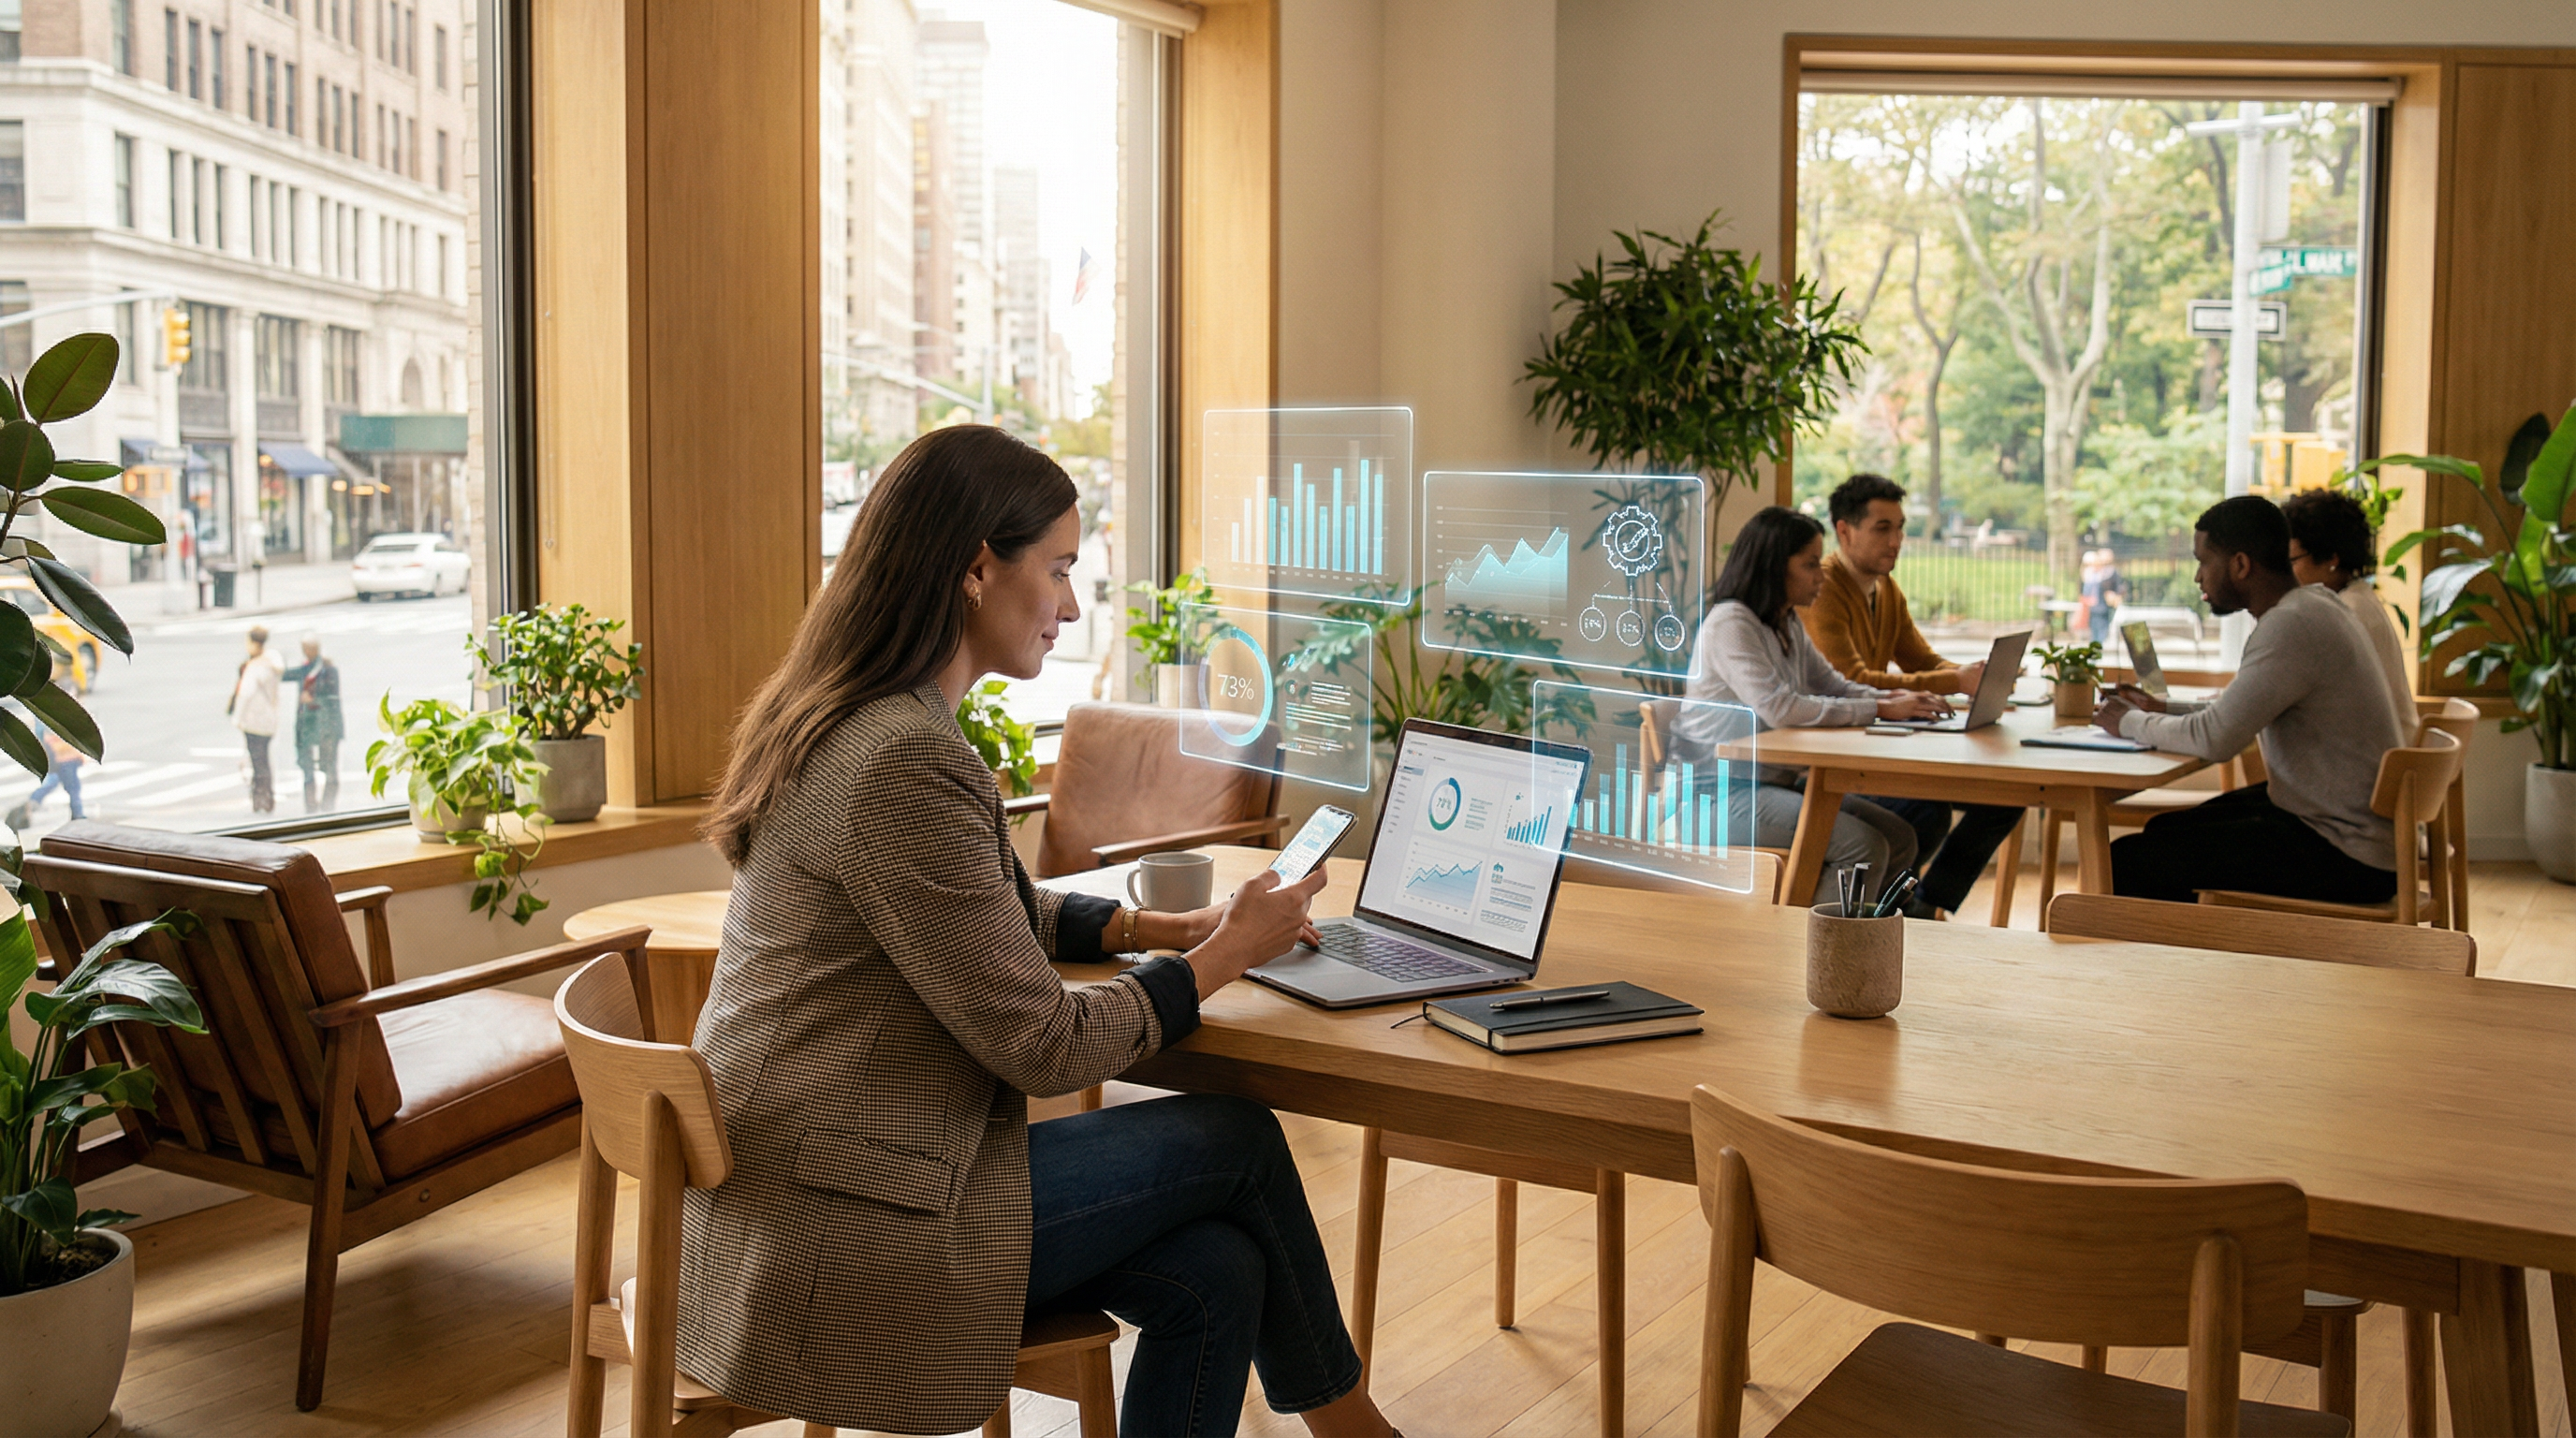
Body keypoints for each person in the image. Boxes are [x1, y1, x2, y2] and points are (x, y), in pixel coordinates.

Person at [687, 426, 1394, 1438]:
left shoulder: (850, 719)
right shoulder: (899, 761)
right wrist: (1224, 953)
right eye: (1060, 569)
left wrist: (1163, 926)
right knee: (1236, 1139)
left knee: (1216, 1271)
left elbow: (989, 904)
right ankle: (1354, 1429)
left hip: (787, 1190)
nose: (1071, 604)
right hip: (842, 1220)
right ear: (977, 567)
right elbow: (1041, 1047)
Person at [2096, 495, 2410, 905]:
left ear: (2241, 565)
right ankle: (2200, 957)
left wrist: (2125, 722)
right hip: (2347, 831)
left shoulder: (2291, 625)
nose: (2197, 577)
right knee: (2161, 832)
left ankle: (2181, 965)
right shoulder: (2314, 606)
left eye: (2203, 561)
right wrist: (2162, 709)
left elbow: (2216, 740)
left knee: (2127, 862)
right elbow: (2233, 713)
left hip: (2348, 855)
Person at [1672, 505, 1947, 909]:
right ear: (1773, 567)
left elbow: (1832, 685)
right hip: (1716, 796)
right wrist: (1882, 711)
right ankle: (1813, 958)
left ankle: (1865, 945)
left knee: (1901, 838)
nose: (1822, 575)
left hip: (1771, 783)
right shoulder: (1731, 623)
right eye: (1810, 564)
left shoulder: (1785, 622)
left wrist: (1892, 700)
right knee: (1864, 847)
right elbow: (1781, 708)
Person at [1800, 474, 2027, 917]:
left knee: (2008, 795)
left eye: (1900, 527)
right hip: (1840, 757)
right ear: (1844, 531)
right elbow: (1853, 678)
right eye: (1883, 528)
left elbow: (1921, 659)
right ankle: (1895, 912)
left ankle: (1927, 903)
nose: (1897, 540)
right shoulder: (1823, 589)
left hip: (1879, 747)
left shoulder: (1885, 588)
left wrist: (1974, 676)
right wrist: (1954, 681)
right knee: (1926, 809)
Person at [2282, 488, 2415, 735]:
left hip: (2378, 762)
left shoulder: (2348, 612)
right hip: (2390, 756)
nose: (2286, 573)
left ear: (2332, 559)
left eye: (2292, 562)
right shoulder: (2358, 599)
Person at [281, 635, 344, 812]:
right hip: (307, 725)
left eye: (307, 649)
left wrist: (312, 699)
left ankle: (328, 806)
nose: (305, 652)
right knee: (307, 767)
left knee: (329, 766)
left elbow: (333, 698)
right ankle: (311, 806)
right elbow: (285, 675)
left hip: (326, 726)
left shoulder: (328, 670)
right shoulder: (306, 669)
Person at [227, 625, 285, 814]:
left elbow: (245, 694)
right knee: (265, 761)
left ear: (253, 643)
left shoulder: (255, 667)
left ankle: (259, 800)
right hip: (269, 720)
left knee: (257, 761)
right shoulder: (273, 663)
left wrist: (237, 719)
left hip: (254, 721)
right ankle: (267, 799)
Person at [6, 715, 85, 829]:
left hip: (59, 756)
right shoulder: (54, 711)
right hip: (64, 756)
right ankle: (78, 815)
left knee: (52, 783)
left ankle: (31, 804)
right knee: (73, 788)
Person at [2079, 547, 2126, 646]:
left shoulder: (2109, 573)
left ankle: (2097, 650)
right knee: (2094, 632)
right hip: (2093, 607)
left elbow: (2117, 588)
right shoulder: (2091, 574)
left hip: (2103, 607)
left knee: (2101, 631)